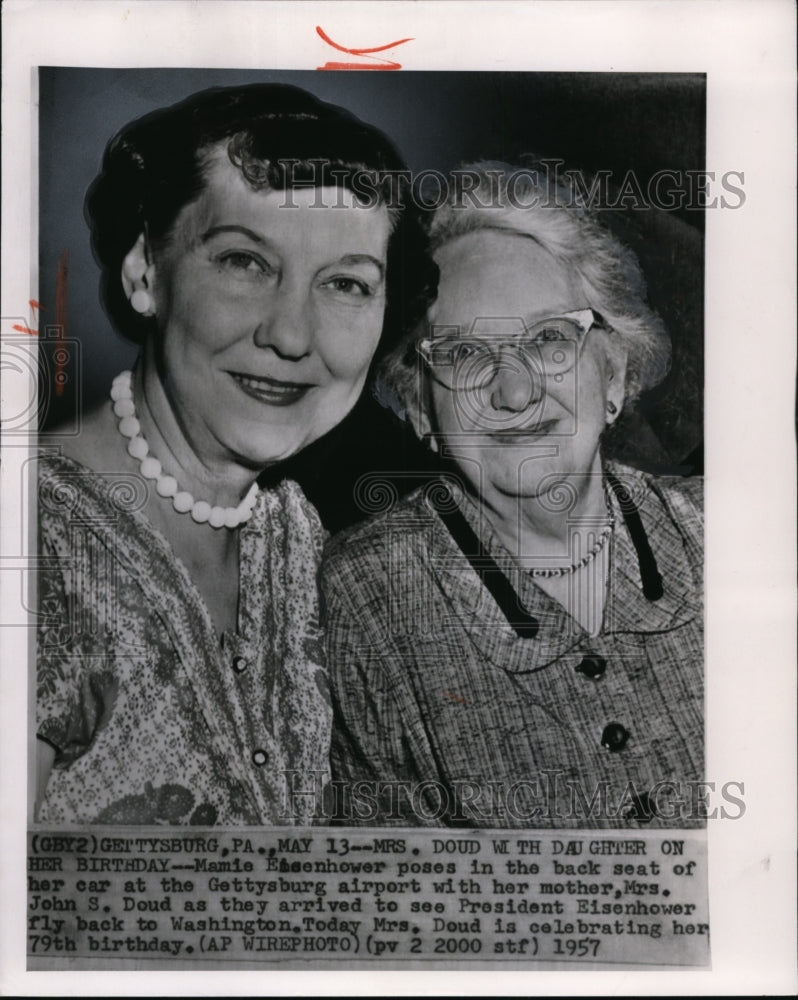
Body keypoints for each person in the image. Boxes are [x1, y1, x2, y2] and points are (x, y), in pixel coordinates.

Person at [35, 83, 434, 825]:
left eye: (346, 283)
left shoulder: (300, 537)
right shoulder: (31, 542)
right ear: (145, 273)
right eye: (245, 263)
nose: (291, 335)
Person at [324, 163, 704, 829]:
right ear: (420, 407)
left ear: (612, 375)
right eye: (467, 355)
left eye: (549, 340)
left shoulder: (724, 531)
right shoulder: (365, 595)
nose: (515, 392)